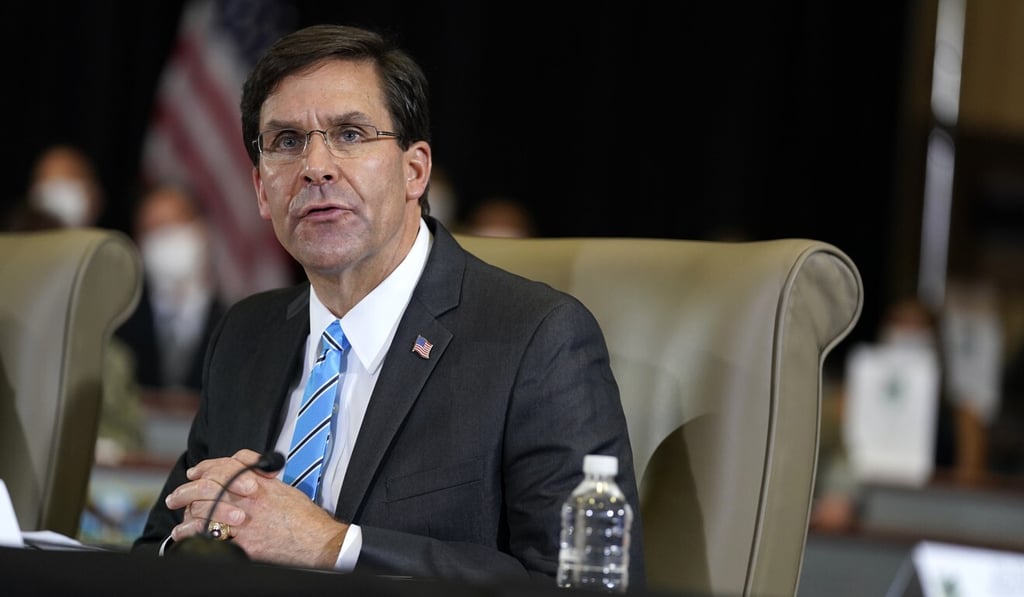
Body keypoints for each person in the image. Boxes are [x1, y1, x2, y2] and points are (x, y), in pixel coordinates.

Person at [132, 23, 644, 587]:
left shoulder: (536, 340)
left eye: (350, 134)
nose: (316, 167)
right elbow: (158, 547)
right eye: (285, 141)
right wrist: (212, 535)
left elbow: (583, 585)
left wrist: (334, 546)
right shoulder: (246, 333)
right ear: (259, 189)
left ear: (414, 170)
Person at [115, 182, 227, 404]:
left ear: (202, 230)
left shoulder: (237, 324)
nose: (166, 238)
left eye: (175, 224)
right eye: (154, 229)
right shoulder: (119, 327)